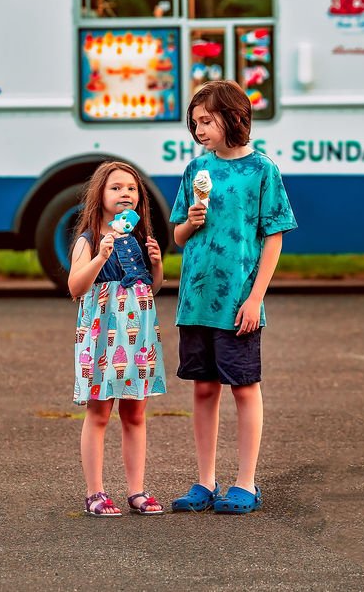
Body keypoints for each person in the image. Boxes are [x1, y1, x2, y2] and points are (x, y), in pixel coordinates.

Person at [169, 80, 296, 514]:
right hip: (196, 300)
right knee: (204, 389)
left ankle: (246, 482)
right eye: (195, 122)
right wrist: (191, 220)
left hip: (238, 300)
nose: (200, 129)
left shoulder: (263, 170)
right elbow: (179, 235)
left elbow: (274, 237)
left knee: (244, 387)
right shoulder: (195, 170)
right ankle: (204, 482)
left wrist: (254, 299)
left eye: (207, 121)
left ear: (234, 117)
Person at [68, 161, 167, 517]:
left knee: (135, 413)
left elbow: (148, 290)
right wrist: (100, 256)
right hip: (102, 334)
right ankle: (94, 492)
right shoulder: (89, 239)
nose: (125, 193)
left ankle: (136, 490)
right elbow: (76, 286)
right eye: (116, 187)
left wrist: (156, 266)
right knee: (99, 412)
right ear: (100, 195)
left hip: (137, 334)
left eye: (131, 188)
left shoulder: (140, 238)